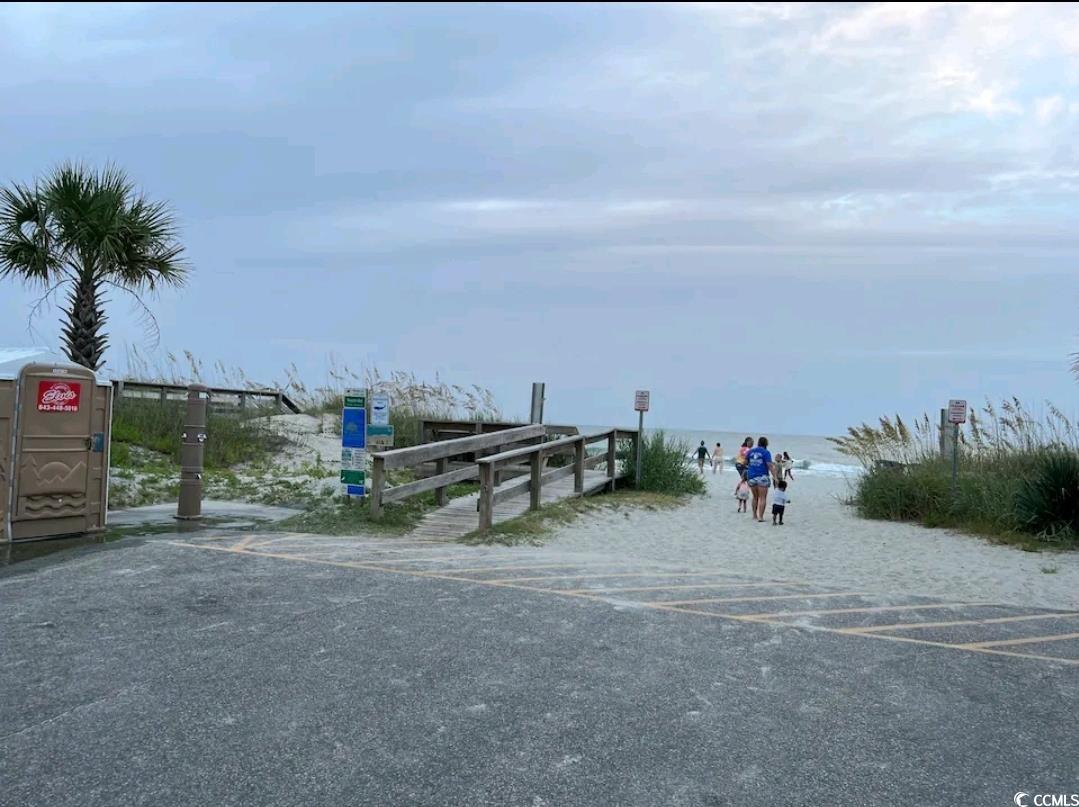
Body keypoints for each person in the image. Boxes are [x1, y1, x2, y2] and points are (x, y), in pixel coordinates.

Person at [744, 436, 776, 522]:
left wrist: (752, 466)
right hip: (762, 477)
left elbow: (745, 462)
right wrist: (775, 477)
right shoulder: (766, 452)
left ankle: (754, 515)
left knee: (755, 497)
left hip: (751, 476)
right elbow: (770, 465)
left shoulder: (750, 451)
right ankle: (760, 517)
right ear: (766, 444)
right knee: (762, 498)